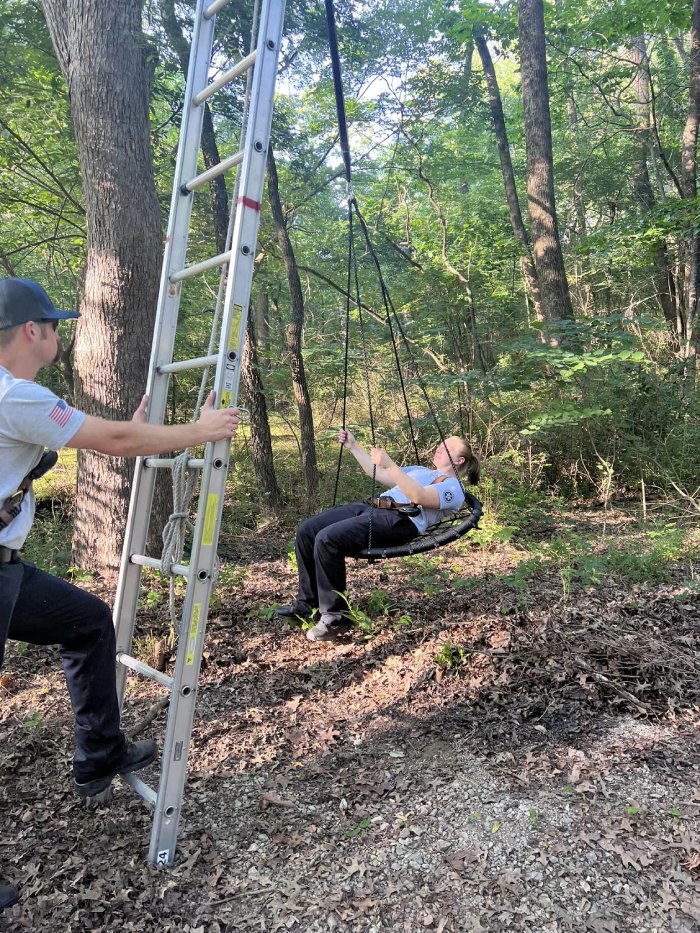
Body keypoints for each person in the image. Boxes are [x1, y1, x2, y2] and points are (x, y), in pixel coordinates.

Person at [0, 277, 241, 909]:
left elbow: (90, 436)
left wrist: (125, 429)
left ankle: (99, 755)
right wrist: (200, 429)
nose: (57, 332)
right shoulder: (15, 395)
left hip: (7, 567)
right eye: (52, 324)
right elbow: (109, 442)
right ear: (33, 332)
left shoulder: (15, 400)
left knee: (85, 622)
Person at [276, 427, 480, 642]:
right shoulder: (421, 470)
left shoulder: (453, 487)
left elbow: (418, 496)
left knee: (327, 539)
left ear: (458, 461)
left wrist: (391, 464)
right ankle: (307, 605)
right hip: (372, 507)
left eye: (447, 447)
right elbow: (380, 473)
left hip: (399, 520)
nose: (440, 447)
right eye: (442, 443)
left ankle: (336, 617)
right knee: (307, 530)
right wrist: (353, 446)